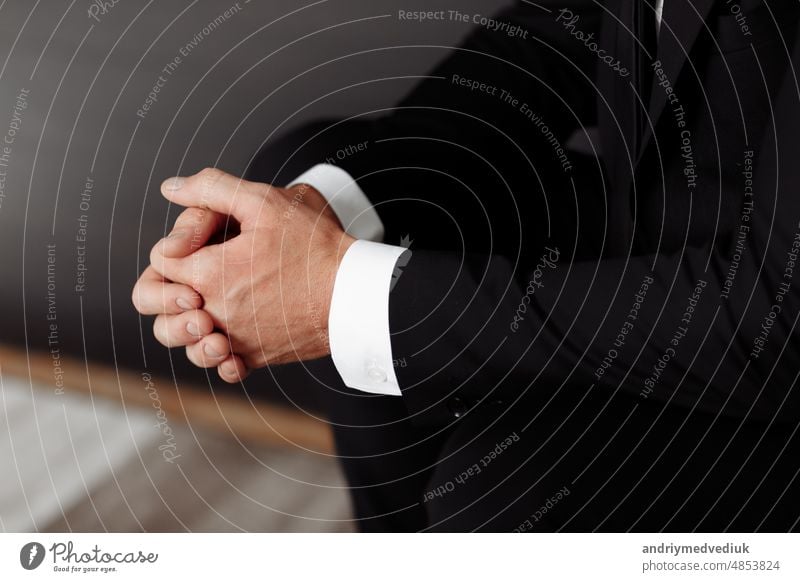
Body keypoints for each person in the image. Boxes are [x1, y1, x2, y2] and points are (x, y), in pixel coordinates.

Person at [132, 0, 800, 531]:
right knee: (327, 176)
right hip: (655, 225)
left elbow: (775, 318)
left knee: (497, 503)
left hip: (755, 342)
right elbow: (566, 20)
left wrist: (351, 297)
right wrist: (305, 216)